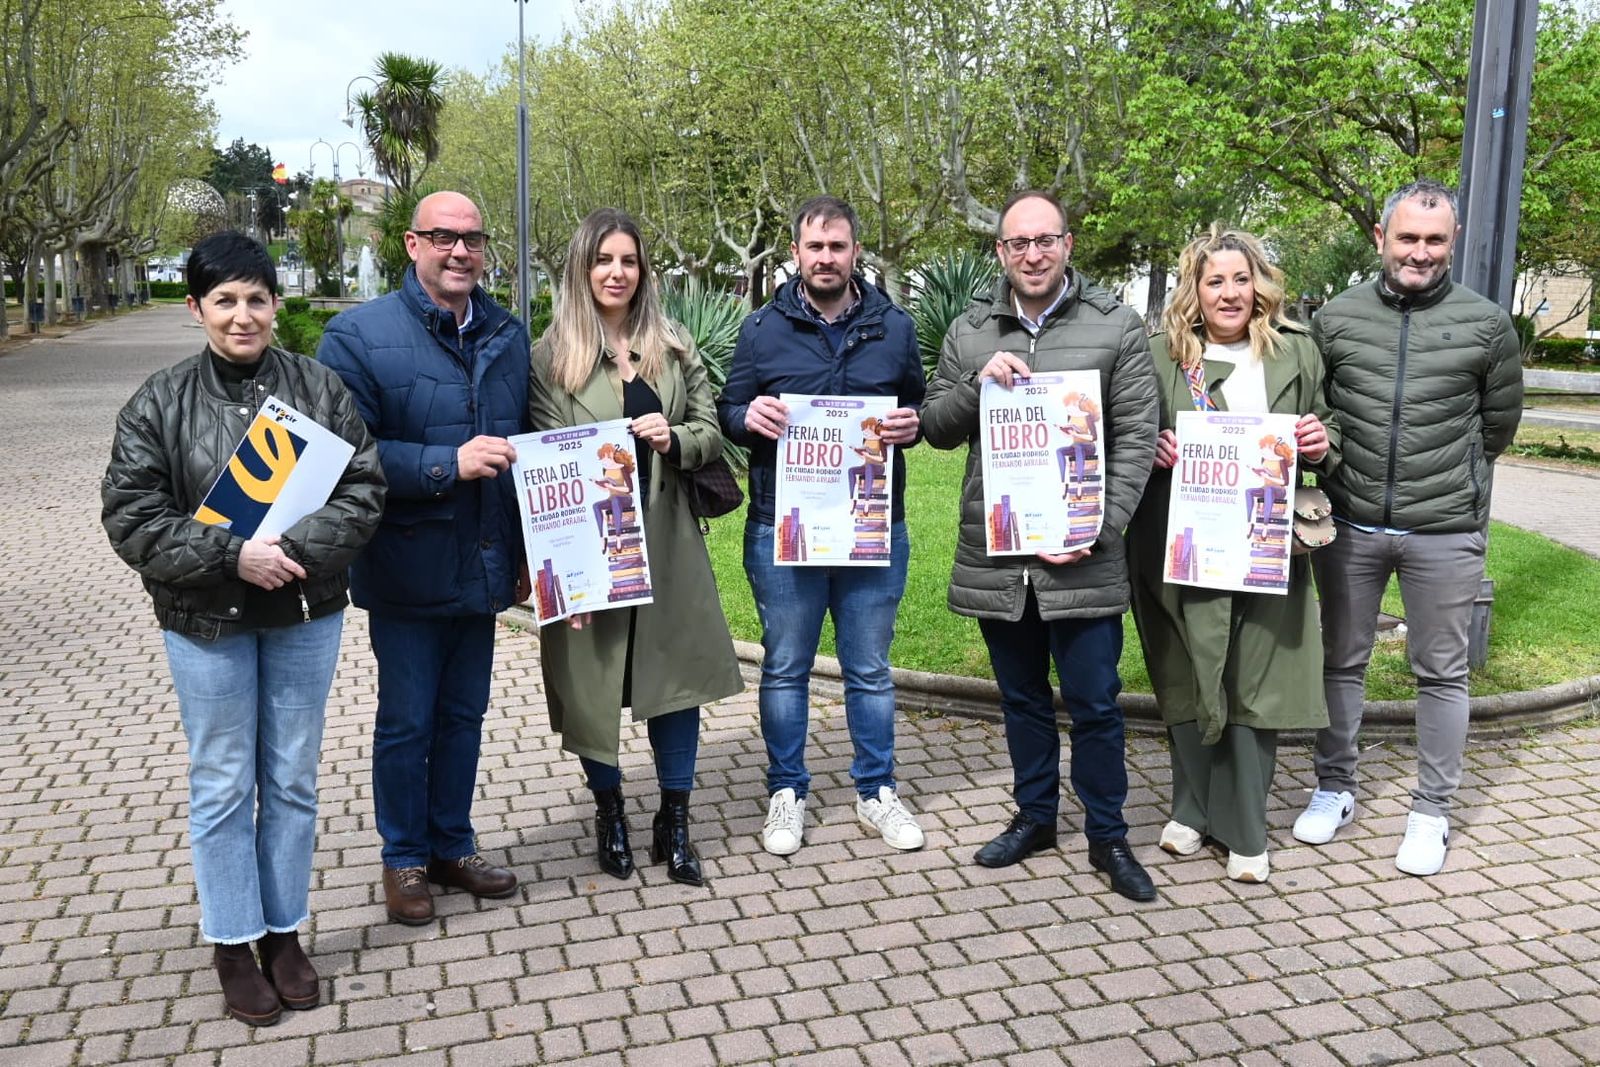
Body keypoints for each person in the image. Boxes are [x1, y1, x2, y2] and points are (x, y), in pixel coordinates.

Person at [102, 232, 384, 1024]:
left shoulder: (319, 388)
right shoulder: (158, 402)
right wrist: (233, 555)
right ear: (196, 308)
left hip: (302, 613)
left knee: (292, 777)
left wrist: (288, 551)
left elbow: (364, 488)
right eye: (224, 300)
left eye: (256, 298)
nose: (242, 315)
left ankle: (284, 931)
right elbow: (132, 517)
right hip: (205, 623)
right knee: (223, 780)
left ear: (273, 303)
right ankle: (233, 939)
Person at [921, 189, 1159, 901]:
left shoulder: (1116, 327)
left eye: (1045, 240)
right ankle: (1036, 817)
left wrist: (1095, 528)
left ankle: (1108, 835)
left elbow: (1137, 439)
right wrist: (977, 385)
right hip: (1001, 559)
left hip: (1083, 558)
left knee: (1095, 702)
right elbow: (935, 426)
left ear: (1067, 245)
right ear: (1001, 251)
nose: (1033, 254)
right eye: (1018, 243)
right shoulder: (970, 331)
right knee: (1022, 698)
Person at [1292, 179, 1523, 876]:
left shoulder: (1487, 325)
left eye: (1435, 239)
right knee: (1341, 660)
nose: (1420, 252)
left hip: (1444, 530)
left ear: (1452, 242)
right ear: (1381, 238)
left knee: (1442, 673)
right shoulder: (1336, 318)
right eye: (1408, 237)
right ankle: (1335, 786)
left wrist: (1452, 486)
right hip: (1351, 522)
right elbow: (1320, 412)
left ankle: (1431, 810)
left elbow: (1497, 426)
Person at [318, 191, 530, 924]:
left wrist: (527, 553)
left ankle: (452, 845)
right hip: (407, 566)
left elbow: (525, 446)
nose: (460, 251)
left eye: (472, 238)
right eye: (444, 237)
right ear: (412, 245)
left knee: (464, 716)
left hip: (484, 561)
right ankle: (404, 857)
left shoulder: (507, 333)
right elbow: (345, 455)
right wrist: (447, 463)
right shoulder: (357, 335)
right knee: (408, 721)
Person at [530, 208, 742, 886]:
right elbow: (546, 463)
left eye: (628, 260)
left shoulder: (672, 345)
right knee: (593, 683)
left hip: (669, 537)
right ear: (581, 268)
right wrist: (566, 579)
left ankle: (675, 820)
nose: (616, 272)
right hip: (591, 546)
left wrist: (674, 438)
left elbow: (711, 428)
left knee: (674, 683)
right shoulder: (550, 358)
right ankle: (610, 812)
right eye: (603, 260)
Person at [1126, 224, 1338, 884]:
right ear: (1193, 289)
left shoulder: (1297, 352)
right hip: (1180, 540)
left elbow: (1331, 426)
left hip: (1264, 542)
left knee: (1254, 682)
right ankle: (1192, 809)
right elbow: (1125, 428)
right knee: (1186, 673)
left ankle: (1245, 827)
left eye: (1241, 279)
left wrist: (1320, 439)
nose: (1229, 293)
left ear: (1259, 285)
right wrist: (1151, 444)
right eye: (1214, 280)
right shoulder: (1161, 354)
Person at [717, 195, 927, 857]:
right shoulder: (761, 329)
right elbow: (728, 409)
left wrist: (913, 424)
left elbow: (917, 404)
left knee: (870, 669)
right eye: (815, 246)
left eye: (838, 246)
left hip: (871, 524)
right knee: (785, 667)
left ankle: (876, 790)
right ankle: (787, 790)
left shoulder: (894, 327)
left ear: (855, 251)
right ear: (796, 252)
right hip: (785, 527)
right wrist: (748, 417)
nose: (827, 257)